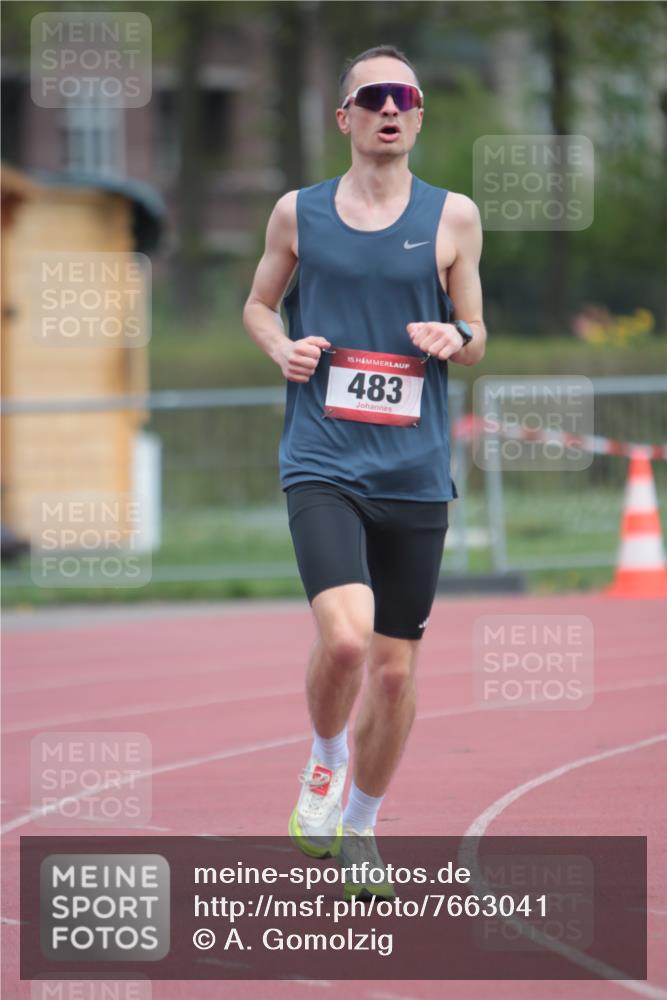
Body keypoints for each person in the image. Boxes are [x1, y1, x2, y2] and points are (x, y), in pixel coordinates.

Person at [243, 44, 487, 900]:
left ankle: (361, 827)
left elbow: (476, 330)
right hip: (323, 459)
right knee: (345, 641)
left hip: (415, 471)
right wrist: (282, 347)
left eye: (404, 96)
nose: (389, 108)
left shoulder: (452, 216)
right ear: (343, 117)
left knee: (394, 669)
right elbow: (257, 302)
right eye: (371, 97)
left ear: (418, 117)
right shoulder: (297, 214)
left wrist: (454, 338)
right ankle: (323, 762)